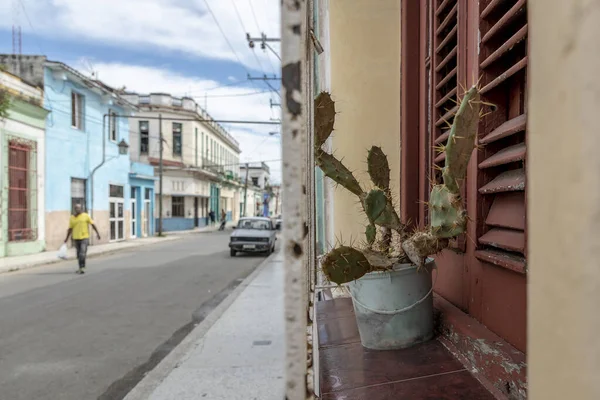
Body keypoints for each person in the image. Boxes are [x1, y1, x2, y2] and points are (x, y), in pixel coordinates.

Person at [64, 204, 101, 274]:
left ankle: (83, 267)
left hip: (84, 238)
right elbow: (70, 228)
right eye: (76, 208)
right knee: (78, 254)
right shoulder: (72, 218)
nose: (77, 209)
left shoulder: (85, 216)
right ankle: (80, 267)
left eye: (79, 208)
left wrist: (97, 233)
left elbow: (92, 224)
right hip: (76, 238)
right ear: (74, 209)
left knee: (82, 253)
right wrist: (66, 238)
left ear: (81, 209)